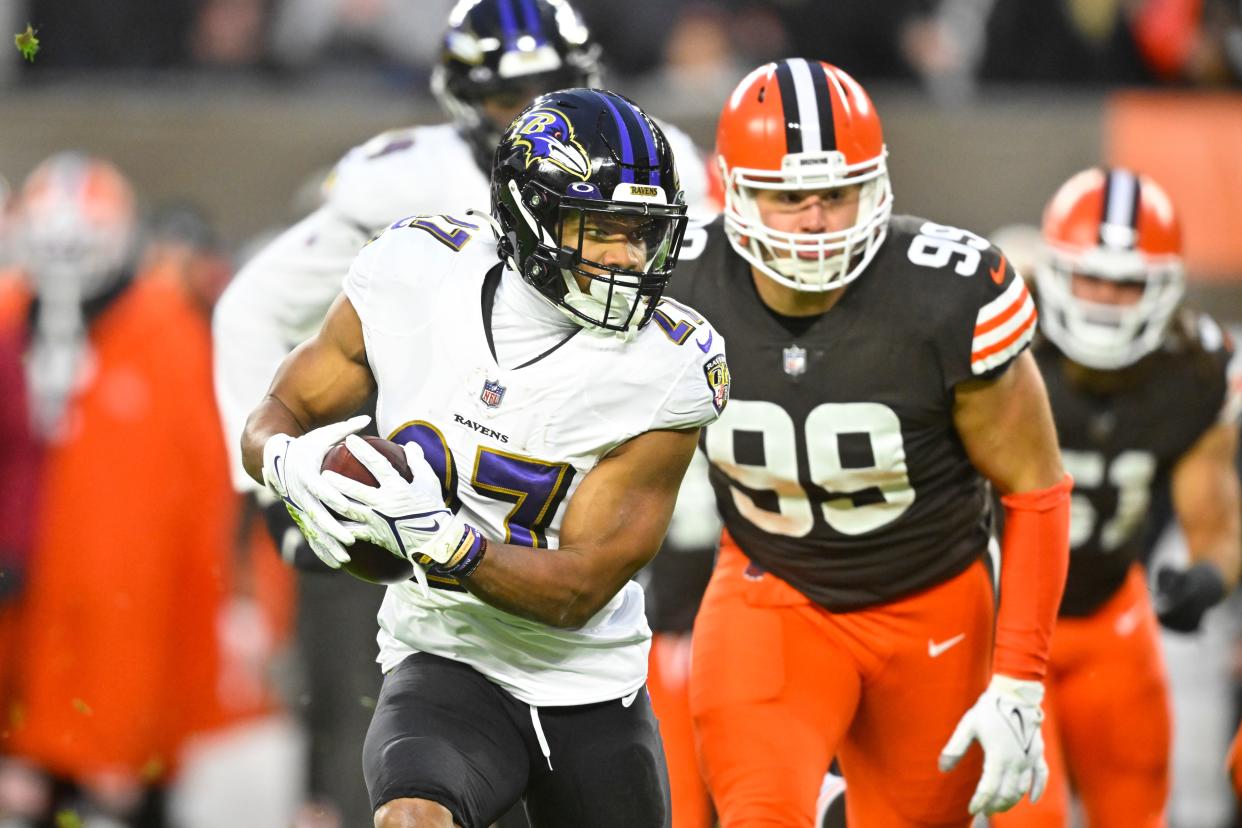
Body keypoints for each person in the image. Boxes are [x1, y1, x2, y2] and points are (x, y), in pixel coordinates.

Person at [211, 3, 715, 822]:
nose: (629, 258)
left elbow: (578, 589)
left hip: (586, 683)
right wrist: (286, 472)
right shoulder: (414, 265)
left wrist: (442, 541)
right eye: (602, 231)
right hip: (442, 656)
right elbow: (280, 404)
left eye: (642, 234)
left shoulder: (670, 364)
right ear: (527, 218)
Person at [664, 59, 1071, 826]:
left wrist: (1018, 683)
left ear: (877, 185)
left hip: (935, 611)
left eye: (838, 193)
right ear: (737, 191)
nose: (816, 220)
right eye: (788, 198)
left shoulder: (946, 295)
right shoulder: (680, 284)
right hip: (773, 593)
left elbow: (1037, 489)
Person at [0, 153, 252, 827]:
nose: (62, 264)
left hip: (132, 630)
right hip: (23, 627)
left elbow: (208, 495)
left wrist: (228, 611)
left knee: (131, 797)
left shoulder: (167, 333)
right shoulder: (8, 323)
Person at [990, 167, 1240, 828]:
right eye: (1089, 276)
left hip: (1110, 614)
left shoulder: (1195, 371)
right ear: (1051, 270)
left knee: (1136, 810)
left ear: (1166, 288)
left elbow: (1218, 521)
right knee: (1026, 817)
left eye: (1126, 282)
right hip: (999, 621)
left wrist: (1207, 581)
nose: (1104, 299)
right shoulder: (995, 338)